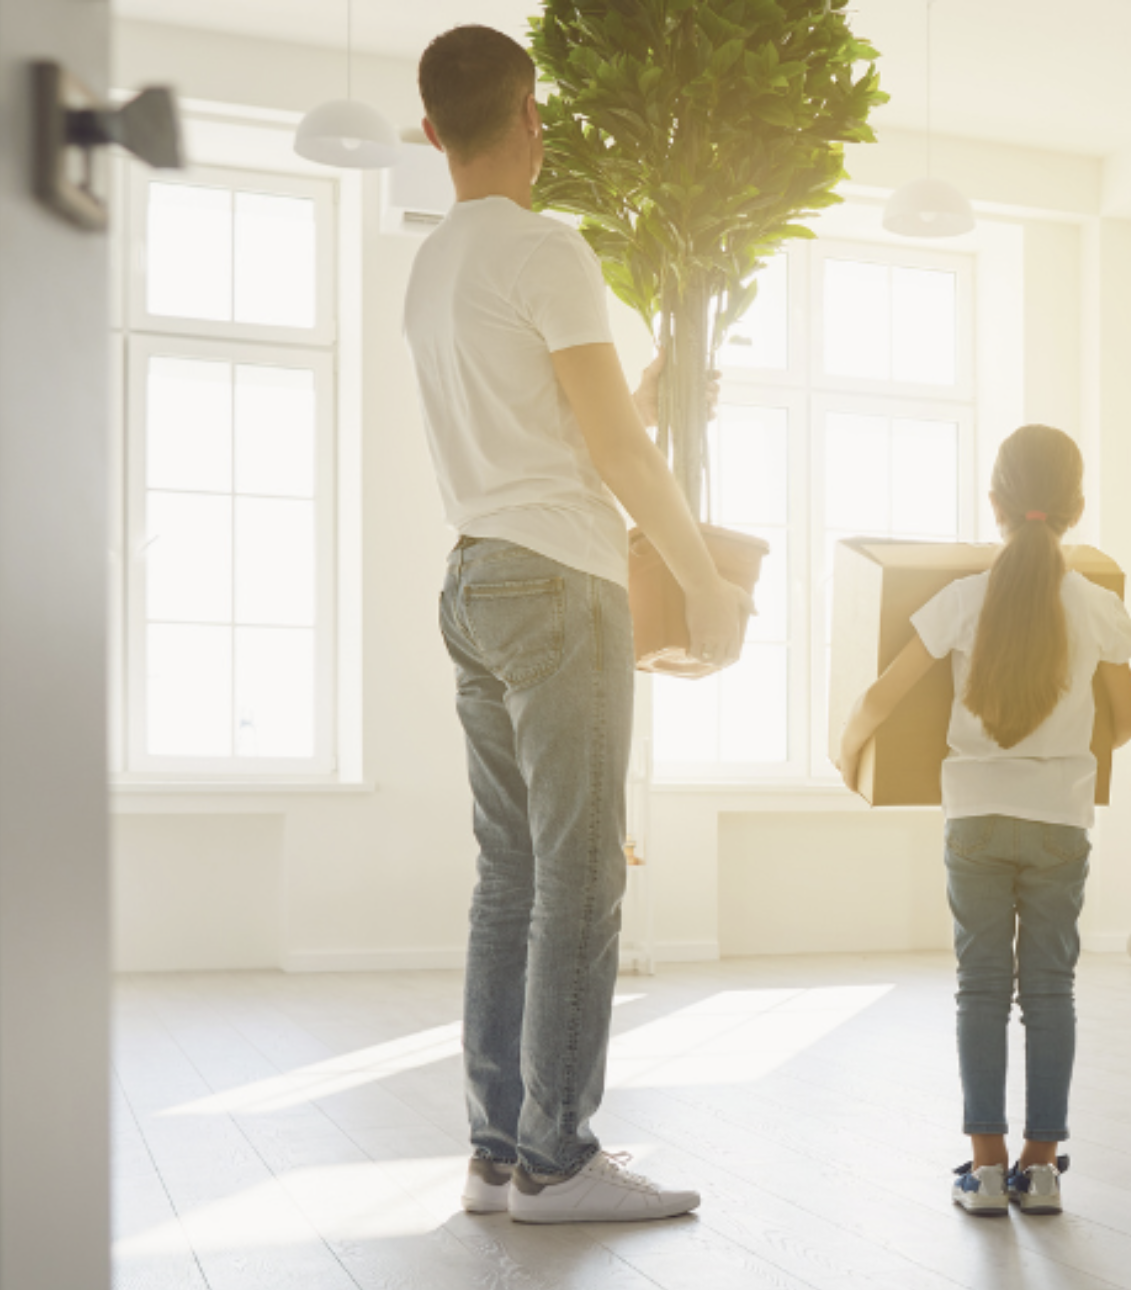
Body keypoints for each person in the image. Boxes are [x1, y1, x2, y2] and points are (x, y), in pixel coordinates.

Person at [404, 24, 750, 1225]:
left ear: (434, 130)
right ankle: (562, 1158)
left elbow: (559, 422)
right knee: (584, 876)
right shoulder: (547, 248)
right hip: (559, 581)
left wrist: (644, 401)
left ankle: (498, 1153)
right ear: (532, 119)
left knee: (511, 877)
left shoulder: (435, 265)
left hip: (475, 579)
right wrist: (703, 574)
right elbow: (609, 451)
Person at [835, 424, 1131, 1218]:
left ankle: (986, 1169)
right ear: (1075, 507)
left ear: (996, 504)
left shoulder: (962, 601)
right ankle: (1042, 1169)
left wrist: (849, 752)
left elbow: (879, 697)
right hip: (1060, 823)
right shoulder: (1098, 608)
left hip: (973, 818)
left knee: (980, 989)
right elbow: (1129, 719)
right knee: (1050, 989)